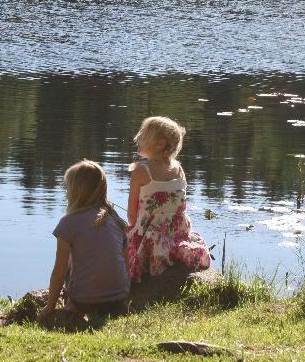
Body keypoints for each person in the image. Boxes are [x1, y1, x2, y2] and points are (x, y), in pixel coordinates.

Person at [37, 160, 129, 322]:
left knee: (67, 265)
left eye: (67, 188)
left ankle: (73, 307)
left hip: (84, 301)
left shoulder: (68, 222)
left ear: (75, 192)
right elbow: (125, 261)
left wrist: (49, 307)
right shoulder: (115, 219)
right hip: (118, 297)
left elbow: (59, 272)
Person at [127, 116, 211, 282]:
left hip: (150, 238)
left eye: (143, 135)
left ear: (160, 143)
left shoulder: (141, 171)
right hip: (177, 233)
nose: (138, 138)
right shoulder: (179, 169)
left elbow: (131, 215)